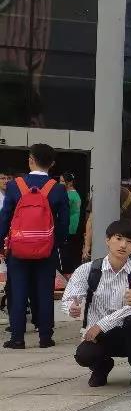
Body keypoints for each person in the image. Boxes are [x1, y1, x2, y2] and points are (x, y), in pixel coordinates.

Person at [63, 220, 131, 390]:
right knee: (84, 355)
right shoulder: (88, 269)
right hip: (97, 335)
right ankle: (101, 367)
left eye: (129, 241)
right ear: (107, 240)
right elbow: (70, 297)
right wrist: (72, 308)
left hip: (128, 334)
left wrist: (102, 324)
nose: (123, 245)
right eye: (118, 238)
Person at [0, 144, 69, 349]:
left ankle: (17, 338)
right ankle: (45, 337)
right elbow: (64, 224)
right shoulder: (57, 189)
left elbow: (4, 218)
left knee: (18, 291)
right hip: (46, 249)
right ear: (52, 164)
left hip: (18, 250)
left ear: (30, 160)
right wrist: (55, 243)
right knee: (45, 292)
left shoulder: (15, 186)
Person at [59, 173, 82, 276]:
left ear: (70, 183)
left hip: (69, 225)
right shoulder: (75, 194)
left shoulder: (68, 195)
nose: (60, 183)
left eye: (62, 181)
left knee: (66, 251)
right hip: (74, 224)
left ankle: (67, 272)